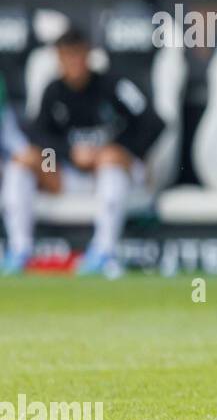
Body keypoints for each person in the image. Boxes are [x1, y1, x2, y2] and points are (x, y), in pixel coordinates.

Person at [2, 27, 163, 276]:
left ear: (88, 55)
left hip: (117, 172)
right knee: (25, 159)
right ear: (58, 59)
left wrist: (121, 150)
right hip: (68, 173)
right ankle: (19, 249)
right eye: (66, 57)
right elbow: (38, 134)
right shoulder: (53, 91)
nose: (73, 63)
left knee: (110, 162)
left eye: (77, 55)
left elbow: (154, 123)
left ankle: (103, 250)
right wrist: (69, 153)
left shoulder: (114, 85)